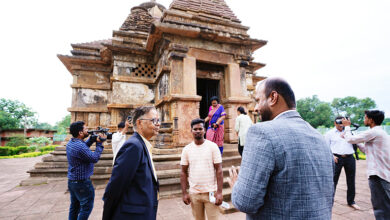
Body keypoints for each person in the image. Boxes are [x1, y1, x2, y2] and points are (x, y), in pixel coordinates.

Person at [228, 77, 334, 219]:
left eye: (258, 100)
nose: (256, 108)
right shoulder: (319, 137)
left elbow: (245, 202)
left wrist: (237, 187)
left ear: (273, 97)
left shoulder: (262, 132)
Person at [102, 106, 160, 220]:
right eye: (154, 120)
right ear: (139, 123)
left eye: (159, 120)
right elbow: (115, 186)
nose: (158, 124)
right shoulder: (134, 146)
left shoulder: (143, 144)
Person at [342, 110, 390, 220]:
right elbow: (365, 150)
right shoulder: (378, 132)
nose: (364, 120)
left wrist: (347, 127)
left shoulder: (374, 132)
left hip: (378, 175)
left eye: (365, 117)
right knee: (383, 205)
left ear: (371, 120)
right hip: (381, 173)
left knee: (381, 207)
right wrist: (354, 139)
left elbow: (350, 139)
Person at [180, 118, 223, 220]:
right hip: (194, 194)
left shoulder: (213, 147)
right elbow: (183, 172)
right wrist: (184, 193)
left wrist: (220, 192)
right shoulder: (186, 149)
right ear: (191, 131)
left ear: (204, 130)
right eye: (195, 129)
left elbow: (219, 170)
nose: (198, 131)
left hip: (211, 192)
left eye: (200, 128)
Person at [66, 121, 106, 220]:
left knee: (74, 207)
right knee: (86, 207)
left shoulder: (72, 143)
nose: (88, 131)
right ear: (80, 133)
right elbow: (94, 158)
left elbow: (83, 149)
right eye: (86, 129)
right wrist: (99, 144)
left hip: (72, 181)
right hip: (82, 183)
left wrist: (91, 140)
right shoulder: (80, 146)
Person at [324, 116, 361, 210]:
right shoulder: (330, 133)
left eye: (342, 123)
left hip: (349, 158)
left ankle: (351, 201)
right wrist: (331, 156)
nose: (341, 125)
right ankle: (329, 202)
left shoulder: (349, 132)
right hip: (337, 158)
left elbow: (355, 141)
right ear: (334, 123)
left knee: (351, 180)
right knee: (333, 180)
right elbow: (325, 147)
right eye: (339, 123)